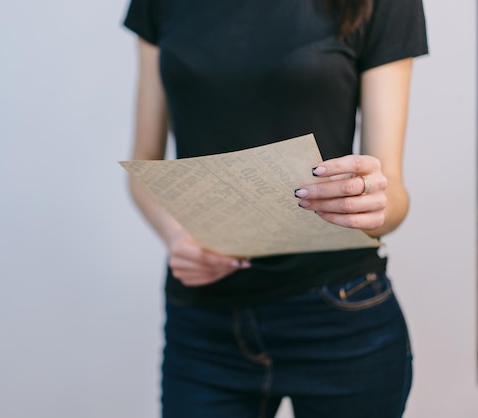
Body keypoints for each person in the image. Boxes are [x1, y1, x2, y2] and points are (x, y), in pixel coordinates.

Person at [122, 0, 428, 417]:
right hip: (205, 325)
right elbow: (143, 163)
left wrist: (373, 203)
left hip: (339, 314)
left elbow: (392, 192)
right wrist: (177, 236)